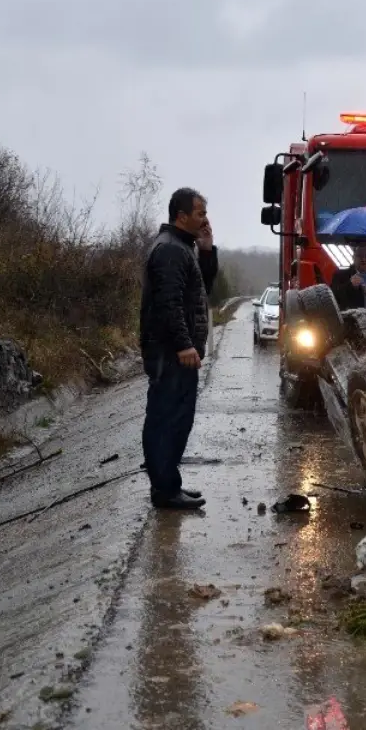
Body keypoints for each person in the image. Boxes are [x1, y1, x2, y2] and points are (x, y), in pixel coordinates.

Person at [139, 188, 217, 510]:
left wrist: (208, 250)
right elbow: (169, 304)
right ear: (181, 216)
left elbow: (202, 291)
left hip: (177, 355)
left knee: (177, 419)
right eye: (200, 213)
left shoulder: (183, 248)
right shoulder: (170, 251)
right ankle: (165, 491)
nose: (205, 219)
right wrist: (184, 345)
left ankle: (169, 484)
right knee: (166, 419)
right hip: (170, 354)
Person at [329, 244, 366, 310]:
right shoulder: (340, 275)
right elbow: (333, 297)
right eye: (360, 256)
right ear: (353, 257)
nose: (363, 259)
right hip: (351, 317)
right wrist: (350, 285)